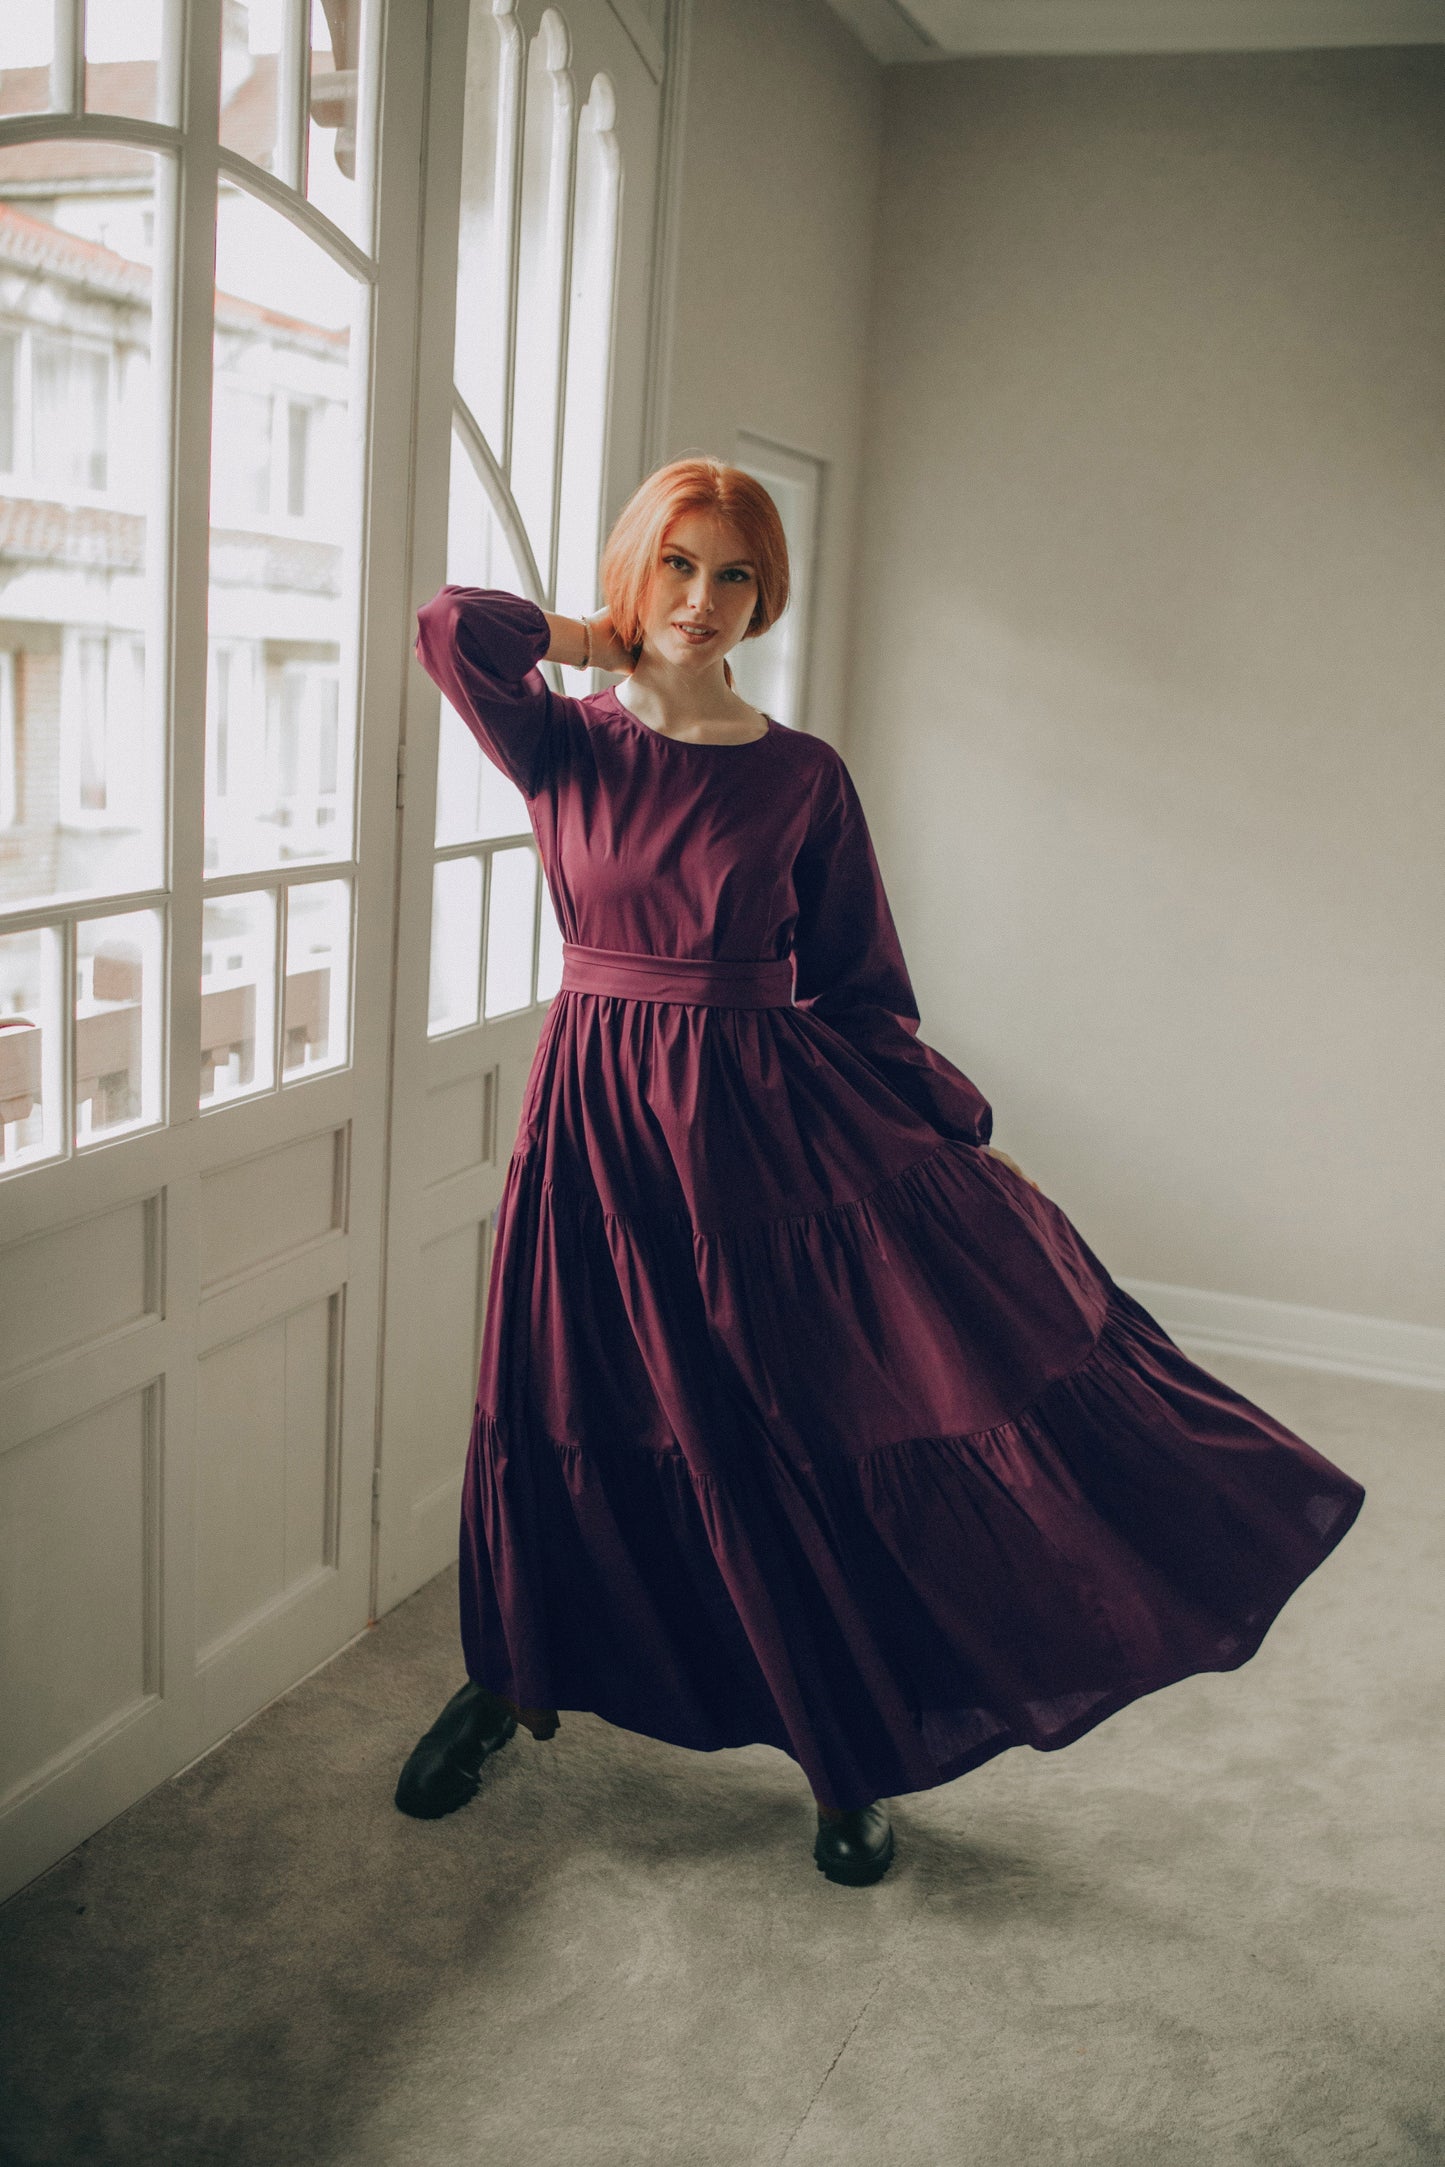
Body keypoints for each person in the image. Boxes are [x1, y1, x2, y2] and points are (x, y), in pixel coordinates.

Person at [396, 454, 1365, 1887]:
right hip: (592, 1115)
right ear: (635, 570)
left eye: (734, 575)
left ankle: (838, 1742)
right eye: (678, 565)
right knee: (559, 1404)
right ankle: (510, 1676)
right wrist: (596, 637)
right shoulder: (568, 742)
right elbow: (446, 625)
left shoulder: (800, 777)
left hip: (751, 1132)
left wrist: (935, 1136)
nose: (705, 600)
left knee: (784, 1432)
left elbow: (858, 986)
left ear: (766, 594)